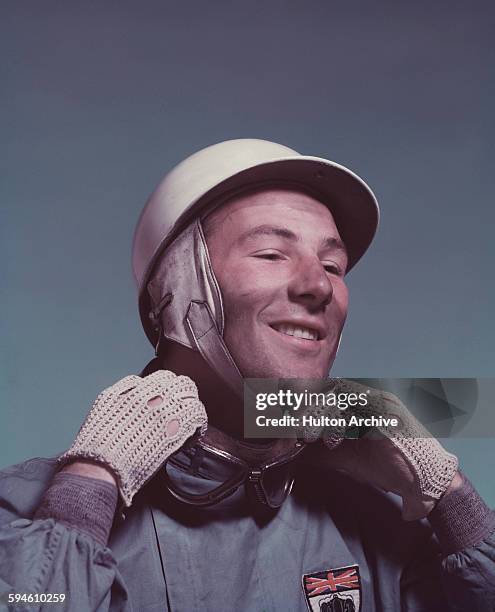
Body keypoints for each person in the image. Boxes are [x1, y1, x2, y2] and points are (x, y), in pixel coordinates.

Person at [0, 139, 494, 612]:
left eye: (333, 265)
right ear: (170, 292)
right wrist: (89, 485)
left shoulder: (383, 526)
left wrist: (450, 497)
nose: (318, 285)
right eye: (271, 255)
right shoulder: (19, 510)